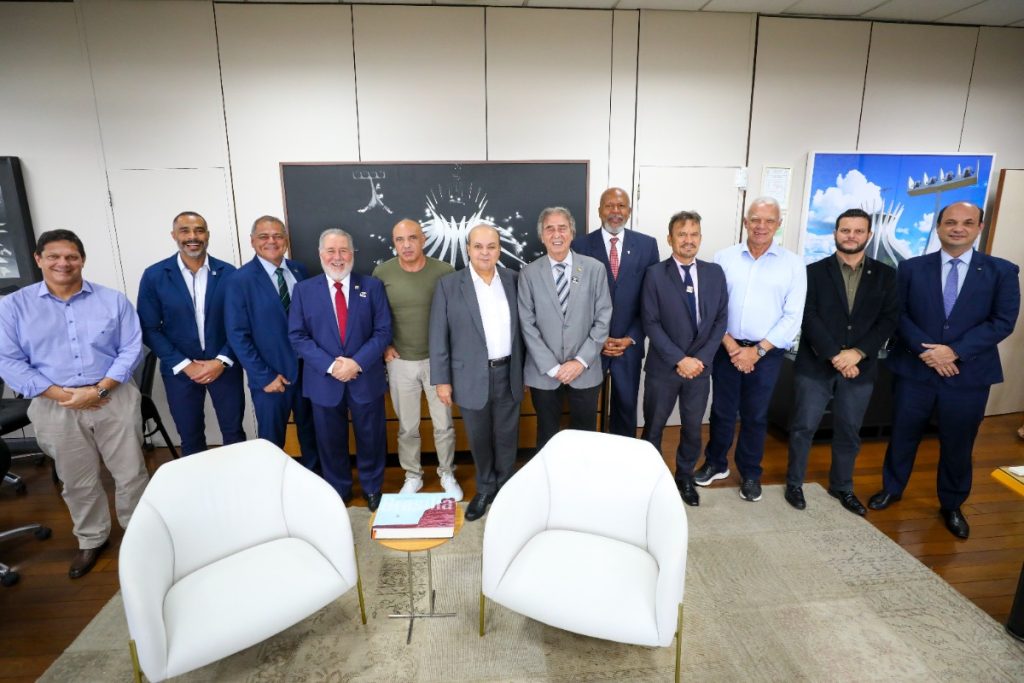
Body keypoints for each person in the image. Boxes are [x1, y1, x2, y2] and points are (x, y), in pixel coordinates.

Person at [0, 230, 148, 579]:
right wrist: (64, 395)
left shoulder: (112, 300)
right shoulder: (13, 307)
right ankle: (92, 538)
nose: (63, 263)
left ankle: (140, 534)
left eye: (71, 256)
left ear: (82, 260)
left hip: (112, 396)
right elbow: (8, 361)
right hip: (55, 404)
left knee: (131, 472)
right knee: (76, 479)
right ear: (39, 259)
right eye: (54, 256)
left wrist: (99, 390)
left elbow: (131, 348)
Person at [869, 202, 1020, 539]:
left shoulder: (1001, 271)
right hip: (915, 370)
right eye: (950, 222)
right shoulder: (910, 268)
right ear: (938, 227)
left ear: (979, 228)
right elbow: (897, 314)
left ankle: (952, 504)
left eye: (967, 223)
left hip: (968, 375)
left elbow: (1002, 321)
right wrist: (927, 352)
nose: (958, 228)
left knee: (959, 443)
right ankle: (892, 488)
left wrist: (954, 351)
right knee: (902, 435)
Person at [785, 209, 899, 515]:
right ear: (835, 233)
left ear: (869, 235)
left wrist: (858, 353)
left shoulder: (886, 275)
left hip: (860, 368)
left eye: (858, 231)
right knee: (803, 428)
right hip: (816, 365)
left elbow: (888, 320)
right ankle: (794, 483)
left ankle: (842, 486)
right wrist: (836, 355)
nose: (851, 236)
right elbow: (808, 315)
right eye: (845, 230)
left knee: (849, 430)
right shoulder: (812, 272)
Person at [694, 196, 807, 502]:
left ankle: (750, 473)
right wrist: (732, 347)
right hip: (726, 348)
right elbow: (711, 307)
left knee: (755, 415)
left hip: (767, 354)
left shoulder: (793, 265)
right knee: (722, 411)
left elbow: (792, 317)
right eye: (755, 219)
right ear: (746, 222)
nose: (761, 226)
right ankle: (716, 463)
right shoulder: (724, 258)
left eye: (769, 221)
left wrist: (757, 351)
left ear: (778, 225)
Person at [288, 228, 391, 511]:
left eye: (343, 250)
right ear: (320, 254)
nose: (338, 257)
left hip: (364, 377)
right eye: (331, 251)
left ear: (352, 253)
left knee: (371, 437)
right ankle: (339, 489)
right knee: (329, 440)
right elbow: (297, 336)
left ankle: (372, 487)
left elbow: (383, 331)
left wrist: (356, 363)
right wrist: (332, 365)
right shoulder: (304, 290)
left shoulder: (372, 286)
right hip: (324, 380)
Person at [430, 225, 525, 521]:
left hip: (509, 372)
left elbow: (525, 329)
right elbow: (438, 336)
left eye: (491, 246)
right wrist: (442, 380)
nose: (485, 252)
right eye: (479, 246)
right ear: (468, 249)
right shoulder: (449, 285)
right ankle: (484, 487)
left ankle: (505, 487)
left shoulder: (514, 280)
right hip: (468, 377)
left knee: (507, 435)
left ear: (499, 249)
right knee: (479, 436)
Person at [137, 211, 245, 455]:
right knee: (190, 436)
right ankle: (197, 480)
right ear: (174, 235)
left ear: (207, 235)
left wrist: (221, 361)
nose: (193, 237)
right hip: (179, 371)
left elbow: (241, 324)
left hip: (224, 367)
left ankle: (238, 478)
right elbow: (149, 328)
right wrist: (186, 365)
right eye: (185, 231)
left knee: (234, 434)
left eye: (199, 230)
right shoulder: (155, 275)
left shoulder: (230, 273)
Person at [640, 211, 728, 506]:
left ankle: (685, 477)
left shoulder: (715, 273)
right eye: (682, 234)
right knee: (653, 426)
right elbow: (650, 322)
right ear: (670, 239)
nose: (688, 240)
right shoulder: (654, 274)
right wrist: (680, 359)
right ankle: (650, 480)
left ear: (700, 238)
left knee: (692, 427)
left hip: (700, 369)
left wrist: (700, 359)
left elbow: (720, 320)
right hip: (664, 367)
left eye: (694, 234)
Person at [372, 219, 460, 499]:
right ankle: (413, 476)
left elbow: (456, 317)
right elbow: (373, 314)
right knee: (407, 426)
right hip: (400, 361)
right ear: (394, 243)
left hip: (437, 362)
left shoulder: (444, 271)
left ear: (423, 240)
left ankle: (447, 473)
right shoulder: (382, 272)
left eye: (412, 238)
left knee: (443, 424)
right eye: (400, 239)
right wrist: (385, 346)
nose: (406, 245)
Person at [225, 215, 319, 470]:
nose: (272, 241)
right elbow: (237, 335)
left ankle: (314, 483)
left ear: (286, 240)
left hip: (308, 373)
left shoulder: (300, 271)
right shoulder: (239, 280)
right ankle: (270, 486)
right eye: (264, 236)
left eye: (278, 236)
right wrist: (263, 376)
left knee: (312, 436)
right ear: (252, 241)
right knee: (272, 442)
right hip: (271, 377)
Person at [519, 207, 612, 451]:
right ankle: (549, 475)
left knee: (584, 436)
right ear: (542, 236)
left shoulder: (594, 269)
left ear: (572, 233)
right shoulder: (528, 274)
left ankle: (582, 475)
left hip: (585, 370)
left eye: (562, 228)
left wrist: (580, 362)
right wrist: (552, 367)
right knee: (547, 435)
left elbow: (603, 318)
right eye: (550, 228)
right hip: (544, 374)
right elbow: (527, 324)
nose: (556, 234)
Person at [571, 188, 659, 437]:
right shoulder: (579, 245)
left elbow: (651, 300)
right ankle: (586, 456)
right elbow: (575, 300)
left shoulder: (647, 245)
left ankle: (622, 457)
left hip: (627, 345)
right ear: (599, 210)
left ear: (629, 211)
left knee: (625, 408)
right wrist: (597, 338)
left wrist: (632, 337)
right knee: (584, 409)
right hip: (589, 344)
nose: (615, 211)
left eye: (621, 206)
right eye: (609, 206)